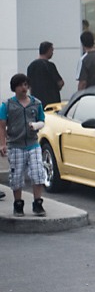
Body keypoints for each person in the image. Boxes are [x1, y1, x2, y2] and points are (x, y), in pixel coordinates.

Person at [0, 74, 47, 216]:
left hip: (33, 144)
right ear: (15, 88)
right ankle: (18, 204)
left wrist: (36, 125)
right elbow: (2, 126)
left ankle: (38, 203)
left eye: (26, 85)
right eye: (20, 85)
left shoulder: (36, 103)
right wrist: (2, 144)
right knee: (16, 176)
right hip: (15, 145)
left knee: (38, 172)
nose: (24, 88)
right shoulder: (7, 105)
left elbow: (42, 121)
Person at [27, 41, 64, 108]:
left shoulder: (31, 66)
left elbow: (30, 86)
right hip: (52, 102)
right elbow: (60, 83)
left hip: (37, 102)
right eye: (52, 50)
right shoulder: (50, 65)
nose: (53, 53)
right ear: (48, 50)